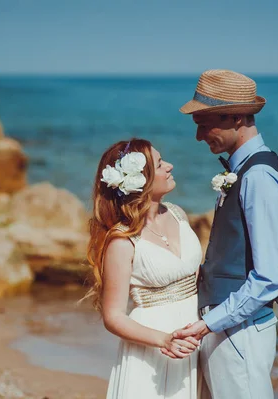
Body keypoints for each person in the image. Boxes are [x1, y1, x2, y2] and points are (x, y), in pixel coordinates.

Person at [170, 69, 278, 399]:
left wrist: (209, 324)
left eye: (204, 124)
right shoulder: (243, 172)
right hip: (228, 327)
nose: (198, 136)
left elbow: (271, 276)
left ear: (237, 117)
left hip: (240, 331)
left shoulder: (260, 178)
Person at [85, 138, 204, 398]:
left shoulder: (177, 214)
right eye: (160, 164)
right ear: (141, 180)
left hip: (194, 335)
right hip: (155, 343)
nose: (170, 166)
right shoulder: (122, 240)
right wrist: (164, 340)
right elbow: (113, 316)